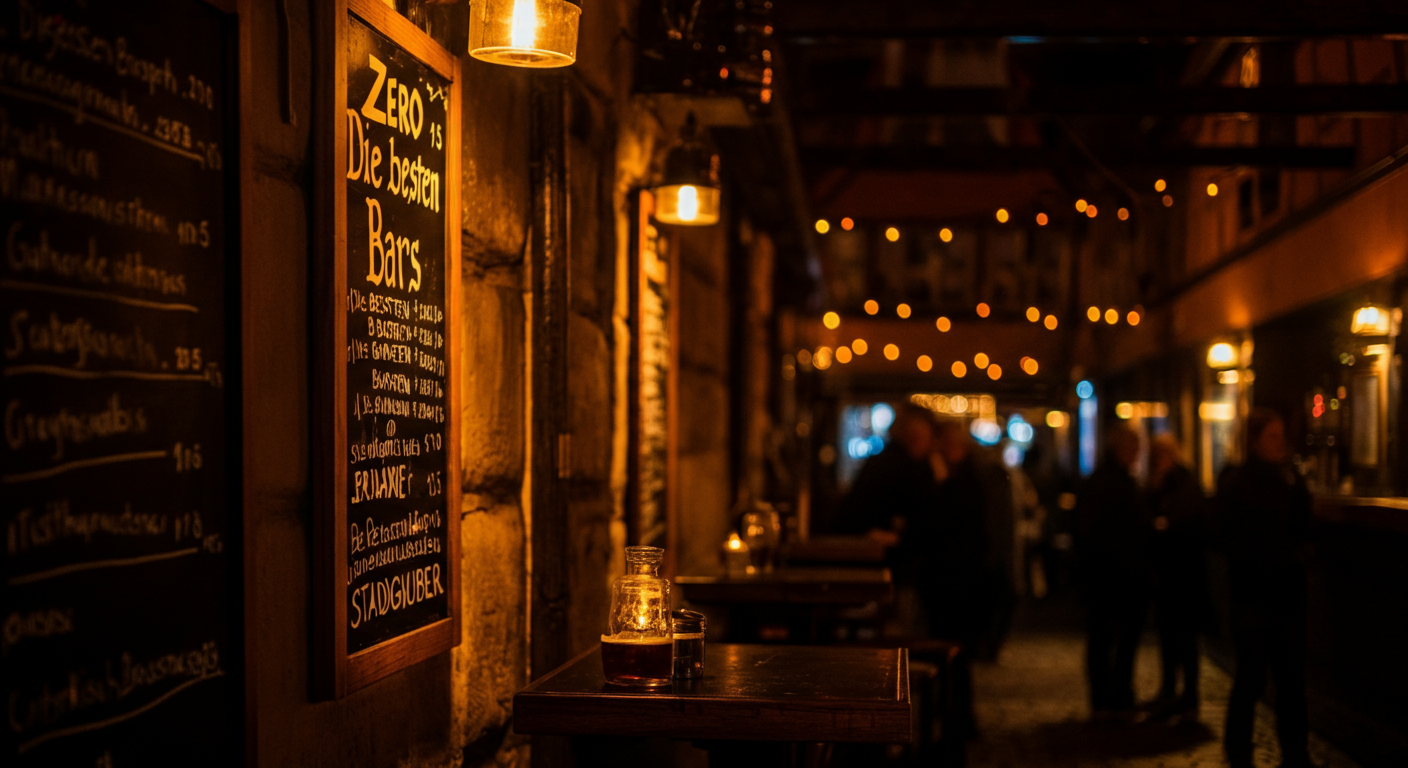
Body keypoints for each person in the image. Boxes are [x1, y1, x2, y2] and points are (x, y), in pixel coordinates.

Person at [1215, 408, 1314, 768]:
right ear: (1254, 441)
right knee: (1251, 678)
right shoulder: (1237, 483)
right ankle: (1239, 753)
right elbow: (1222, 536)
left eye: (1280, 437)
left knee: (1291, 681)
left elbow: (1304, 527)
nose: (1278, 444)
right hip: (1253, 595)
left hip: (1286, 595)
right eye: (1271, 437)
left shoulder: (1290, 480)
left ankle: (1296, 753)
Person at [912, 418, 988, 739]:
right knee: (956, 651)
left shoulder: (959, 481)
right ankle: (957, 717)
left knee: (952, 650)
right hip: (958, 579)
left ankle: (956, 719)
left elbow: (941, 526)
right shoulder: (965, 477)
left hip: (953, 580)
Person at [1075, 424, 1150, 717]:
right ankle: (1113, 695)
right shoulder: (1115, 484)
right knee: (1112, 639)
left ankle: (1107, 696)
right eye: (1134, 449)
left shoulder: (1102, 481)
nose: (1137, 454)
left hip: (1110, 575)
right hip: (1116, 575)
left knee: (1105, 639)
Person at [1147, 434, 1210, 718]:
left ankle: (1189, 695)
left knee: (1185, 637)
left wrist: (1163, 524)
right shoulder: (1159, 482)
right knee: (1169, 635)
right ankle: (1170, 689)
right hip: (1167, 571)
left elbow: (1182, 522)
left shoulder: (1183, 482)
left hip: (1184, 573)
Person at [835, 403, 940, 544]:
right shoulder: (886, 465)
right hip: (889, 550)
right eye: (913, 434)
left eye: (922, 434)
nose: (918, 440)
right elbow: (857, 511)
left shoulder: (931, 465)